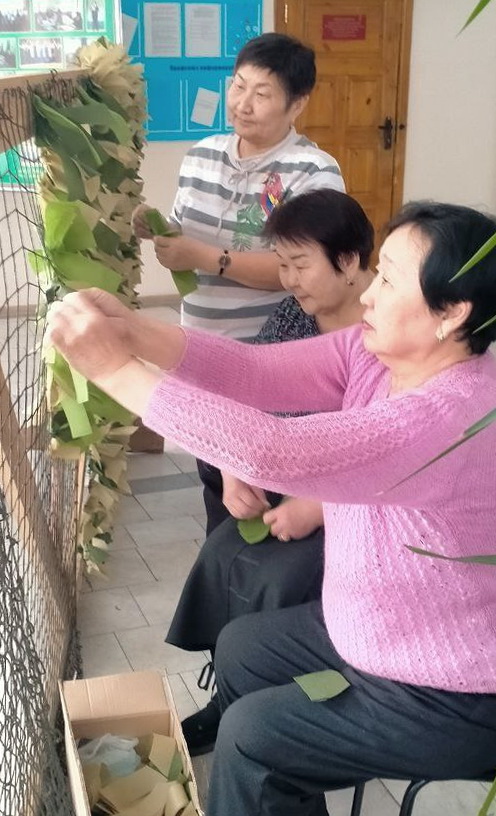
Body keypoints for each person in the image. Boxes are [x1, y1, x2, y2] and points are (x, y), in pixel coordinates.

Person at [49, 200, 496, 816]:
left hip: (450, 690)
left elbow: (272, 450)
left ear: (452, 312)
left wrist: (113, 370)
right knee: (243, 647)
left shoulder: (452, 417)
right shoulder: (377, 356)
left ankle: (261, 778)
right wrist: (131, 331)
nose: (369, 295)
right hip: (375, 633)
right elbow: (253, 371)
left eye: (390, 281)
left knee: (253, 736)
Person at [166, 189, 375, 755]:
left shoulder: (387, 334)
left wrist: (319, 506)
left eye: (300, 264)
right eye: (282, 264)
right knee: (222, 552)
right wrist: (236, 468)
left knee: (278, 578)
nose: (289, 280)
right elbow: (243, 396)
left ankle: (281, 707)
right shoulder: (293, 316)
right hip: (290, 485)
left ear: (349, 260)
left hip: (363, 506)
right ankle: (229, 697)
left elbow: (399, 453)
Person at [132, 32, 345, 536]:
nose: (243, 104)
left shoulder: (313, 172)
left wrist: (205, 257)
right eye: (238, 86)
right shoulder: (201, 155)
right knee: (216, 479)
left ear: (298, 104)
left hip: (272, 358)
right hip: (201, 350)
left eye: (262, 93)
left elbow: (304, 269)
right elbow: (184, 235)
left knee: (269, 487)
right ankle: (226, 568)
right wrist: (157, 229)